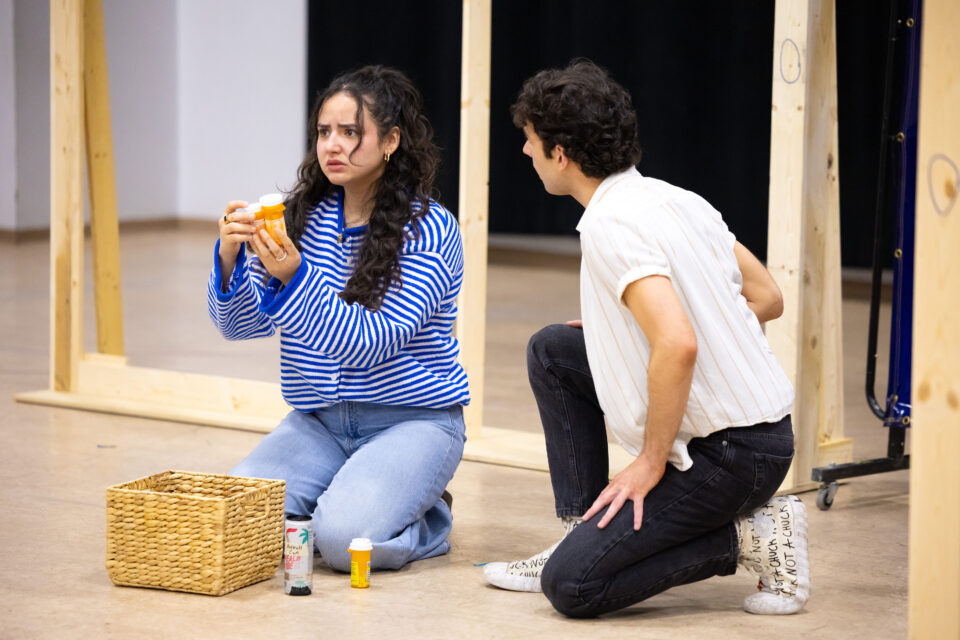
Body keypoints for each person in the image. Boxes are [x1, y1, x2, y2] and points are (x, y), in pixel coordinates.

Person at [483, 60, 809, 617]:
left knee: (572, 586)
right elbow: (768, 297)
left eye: (531, 141)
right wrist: (631, 332)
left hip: (736, 456)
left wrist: (650, 461)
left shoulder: (610, 226)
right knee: (555, 350)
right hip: (761, 436)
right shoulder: (674, 198)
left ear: (560, 153)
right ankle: (579, 528)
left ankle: (748, 538)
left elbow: (678, 343)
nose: (525, 152)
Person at [207, 65, 469, 572]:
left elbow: (371, 341)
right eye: (325, 132)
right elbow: (240, 325)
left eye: (351, 132)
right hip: (318, 423)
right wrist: (228, 257)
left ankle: (427, 515)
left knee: (341, 541)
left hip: (413, 421)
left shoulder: (432, 229)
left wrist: (295, 279)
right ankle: (365, 492)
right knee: (237, 515)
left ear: (390, 141)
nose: (333, 146)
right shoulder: (300, 216)